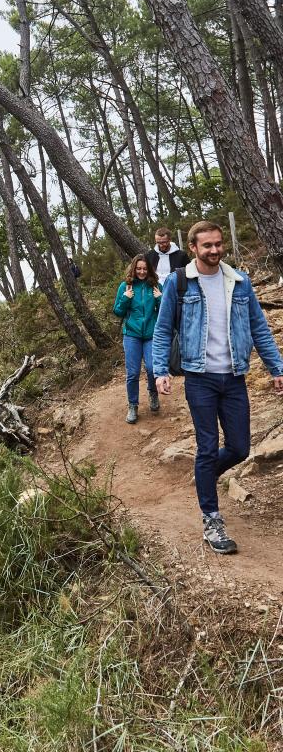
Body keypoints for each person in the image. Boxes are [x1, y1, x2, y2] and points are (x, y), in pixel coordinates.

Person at [153, 220, 283, 555]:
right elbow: (164, 329)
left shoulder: (239, 282)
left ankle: (205, 478)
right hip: (200, 378)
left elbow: (258, 327)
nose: (214, 250)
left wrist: (276, 367)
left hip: (235, 377)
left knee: (240, 448)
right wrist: (159, 370)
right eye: (206, 245)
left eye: (218, 244)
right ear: (193, 248)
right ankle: (212, 519)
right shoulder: (179, 283)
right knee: (208, 447)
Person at [113, 254, 163, 425]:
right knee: (133, 373)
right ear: (134, 269)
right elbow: (118, 312)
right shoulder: (125, 286)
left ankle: (153, 393)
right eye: (138, 269)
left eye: (145, 269)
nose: (141, 272)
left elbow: (165, 312)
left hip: (151, 334)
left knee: (151, 368)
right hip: (132, 335)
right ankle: (133, 405)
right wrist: (125, 299)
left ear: (149, 269)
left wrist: (160, 299)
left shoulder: (155, 286)